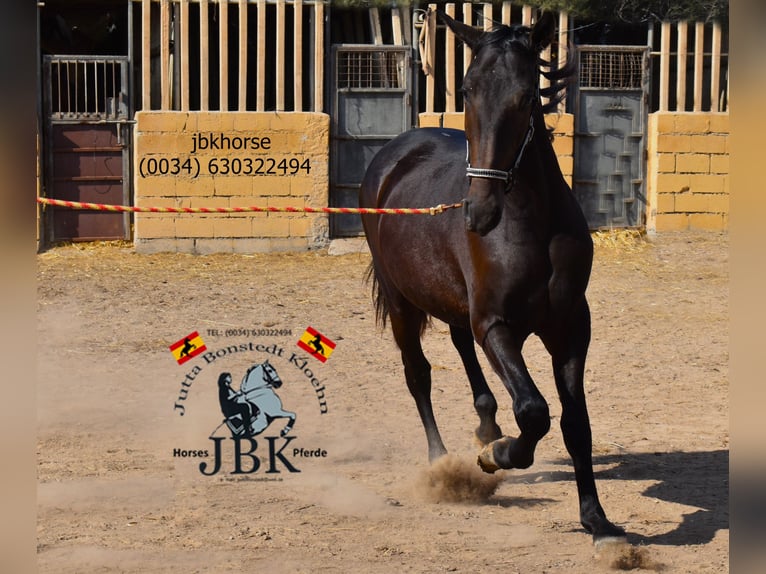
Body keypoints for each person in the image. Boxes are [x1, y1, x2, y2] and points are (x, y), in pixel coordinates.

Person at [217, 372, 256, 437]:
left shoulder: (228, 387)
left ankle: (249, 425)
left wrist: (240, 394)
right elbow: (227, 398)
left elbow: (233, 397)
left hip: (231, 406)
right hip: (228, 408)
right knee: (244, 407)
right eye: (229, 377)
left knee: (246, 404)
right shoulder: (223, 388)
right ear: (224, 379)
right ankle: (247, 429)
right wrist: (236, 394)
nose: (230, 378)